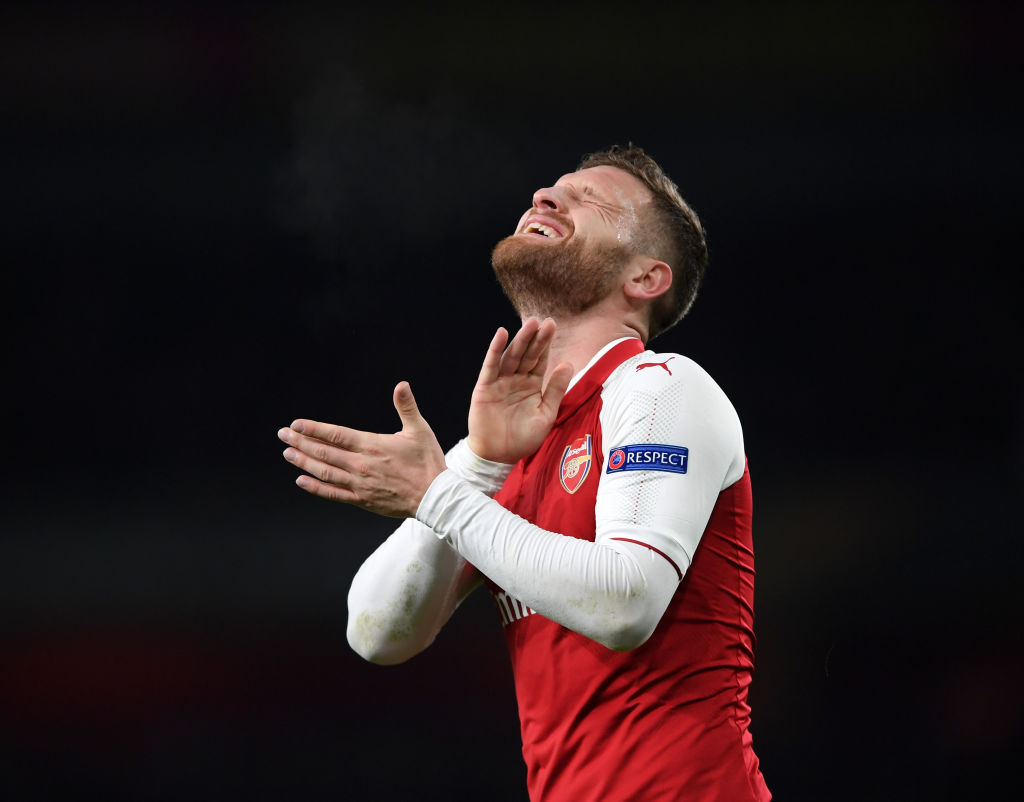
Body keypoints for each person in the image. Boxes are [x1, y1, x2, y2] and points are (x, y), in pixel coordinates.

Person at [278, 145, 771, 801]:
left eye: (592, 200)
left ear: (646, 278)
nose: (545, 196)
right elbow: (377, 633)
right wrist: (476, 464)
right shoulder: (506, 451)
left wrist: (438, 496)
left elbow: (626, 601)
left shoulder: (661, 387)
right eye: (550, 188)